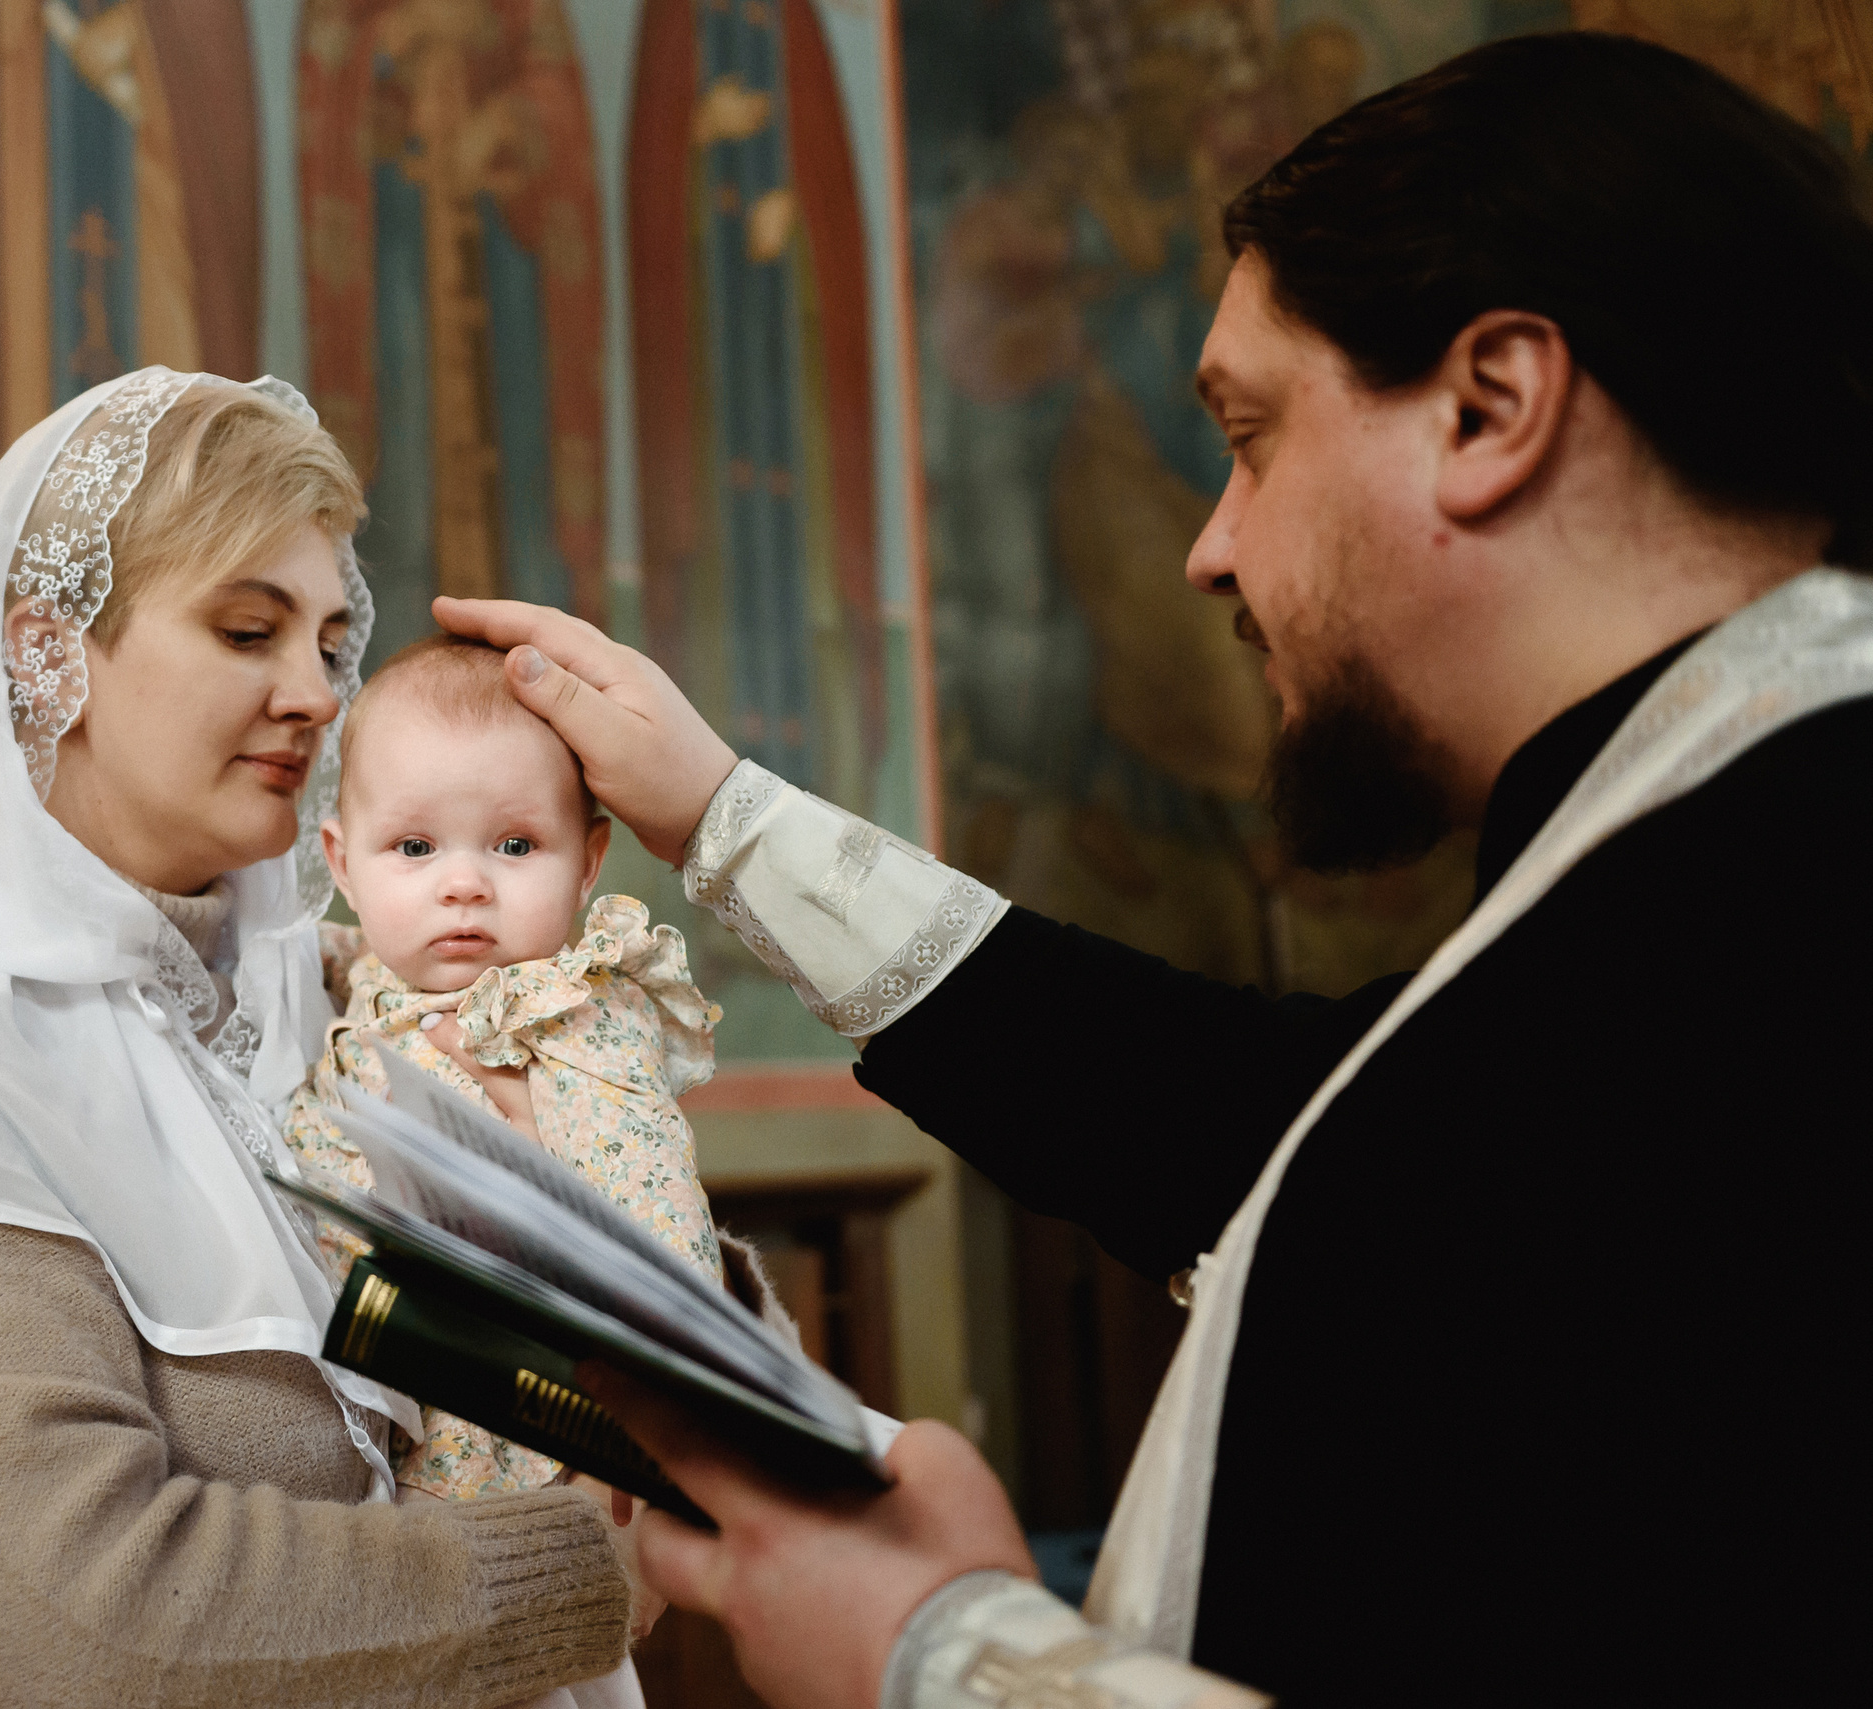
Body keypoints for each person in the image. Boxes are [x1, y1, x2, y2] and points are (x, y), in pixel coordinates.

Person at [440, 32, 1873, 1709]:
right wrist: (724, 815)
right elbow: (1293, 1127)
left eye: (1250, 437)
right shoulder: (1716, 859)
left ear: (1490, 405)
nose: (1210, 544)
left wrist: (935, 1646)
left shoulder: (1783, 905)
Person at [0, 373, 643, 1707]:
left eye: (331, 643)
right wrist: (587, 1571)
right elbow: (73, 1632)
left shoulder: (342, 999)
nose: (317, 693)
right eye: (247, 630)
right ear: (50, 653)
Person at [286, 633, 736, 1508]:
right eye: (415, 846)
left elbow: (655, 1207)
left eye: (517, 844)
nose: (464, 883)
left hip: (530, 1438)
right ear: (343, 864)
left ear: (588, 862)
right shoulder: (357, 974)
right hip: (367, 1411)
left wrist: (667, 1405)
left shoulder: (572, 1013)